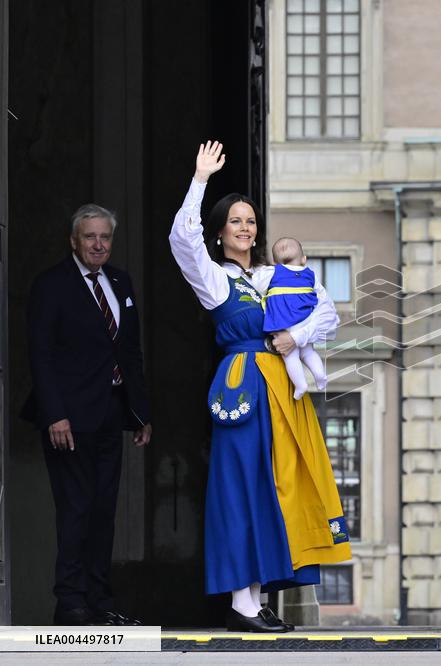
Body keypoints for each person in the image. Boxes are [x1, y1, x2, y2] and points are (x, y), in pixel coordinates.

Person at [169, 141, 352, 633]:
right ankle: (241, 602)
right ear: (221, 231)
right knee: (240, 490)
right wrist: (200, 179)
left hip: (284, 391)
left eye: (250, 221)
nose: (245, 228)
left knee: (279, 490)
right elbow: (183, 240)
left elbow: (328, 312)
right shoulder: (214, 279)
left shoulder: (277, 273)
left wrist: (297, 335)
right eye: (235, 221)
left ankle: (259, 596)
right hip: (243, 389)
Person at [23, 204, 152, 626]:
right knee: (75, 508)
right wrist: (54, 414)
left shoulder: (120, 281)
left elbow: (130, 352)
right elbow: (40, 355)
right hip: (69, 419)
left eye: (105, 237)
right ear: (74, 241)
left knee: (103, 510)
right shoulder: (52, 285)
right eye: (90, 237)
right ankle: (71, 602)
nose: (99, 244)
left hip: (111, 414)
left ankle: (99, 601)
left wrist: (140, 412)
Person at [264, 237, 328, 401]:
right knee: (309, 352)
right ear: (303, 259)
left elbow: (256, 282)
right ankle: (320, 376)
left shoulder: (273, 272)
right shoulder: (311, 274)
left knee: (290, 357)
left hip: (285, 322)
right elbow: (321, 298)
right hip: (305, 320)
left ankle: (301, 385)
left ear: (275, 262)